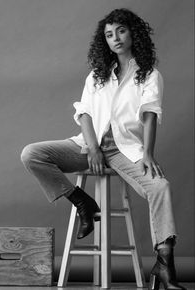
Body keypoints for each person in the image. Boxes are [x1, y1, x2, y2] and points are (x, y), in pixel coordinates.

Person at [21, 8, 186, 290]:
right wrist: (94, 148)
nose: (115, 38)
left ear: (133, 33)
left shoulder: (148, 75)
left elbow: (149, 115)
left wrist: (147, 153)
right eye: (109, 34)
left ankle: (164, 262)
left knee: (160, 187)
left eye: (121, 31)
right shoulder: (97, 75)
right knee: (32, 153)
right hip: (89, 145)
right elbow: (84, 113)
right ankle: (82, 201)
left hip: (125, 150)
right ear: (104, 41)